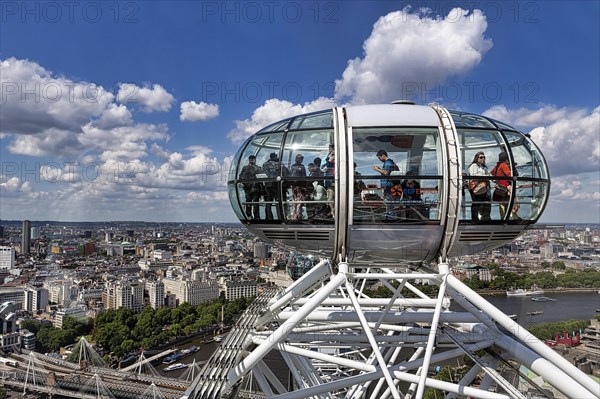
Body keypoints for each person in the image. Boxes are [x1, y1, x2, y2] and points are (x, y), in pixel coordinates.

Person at [372, 150, 396, 220]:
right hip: (387, 187)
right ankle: (389, 216)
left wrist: (377, 169)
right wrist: (380, 169)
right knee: (388, 203)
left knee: (389, 203)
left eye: (379, 158)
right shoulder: (387, 163)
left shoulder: (388, 162)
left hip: (388, 187)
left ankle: (391, 218)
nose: (379, 160)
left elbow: (386, 172)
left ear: (383, 155)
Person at [467, 151, 491, 222]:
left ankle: (485, 218)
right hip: (476, 188)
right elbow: (473, 175)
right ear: (476, 158)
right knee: (477, 203)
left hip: (484, 188)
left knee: (485, 203)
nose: (483, 159)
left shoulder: (483, 167)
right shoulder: (474, 166)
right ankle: (475, 219)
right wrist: (485, 176)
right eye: (481, 157)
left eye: (484, 157)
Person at [239, 155, 263, 219]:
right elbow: (261, 178)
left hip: (247, 189)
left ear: (249, 160)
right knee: (255, 203)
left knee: (248, 202)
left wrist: (246, 184)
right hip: (256, 189)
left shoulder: (245, 168)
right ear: (255, 160)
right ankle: (256, 216)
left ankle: (248, 215)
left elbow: (240, 177)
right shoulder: (258, 168)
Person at [490, 151, 512, 219]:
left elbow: (491, 174)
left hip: (499, 187)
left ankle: (502, 217)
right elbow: (509, 175)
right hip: (505, 187)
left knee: (502, 203)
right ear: (506, 159)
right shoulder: (503, 165)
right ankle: (507, 217)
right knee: (507, 202)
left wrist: (495, 181)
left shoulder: (497, 166)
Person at [262, 152, 283, 220]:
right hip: (276, 186)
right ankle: (281, 217)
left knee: (268, 203)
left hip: (268, 186)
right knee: (278, 202)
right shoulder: (278, 164)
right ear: (274, 157)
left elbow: (264, 173)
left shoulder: (265, 164)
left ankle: (269, 217)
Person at [289, 154, 307, 220]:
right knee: (297, 201)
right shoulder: (300, 167)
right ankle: (296, 216)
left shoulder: (295, 166)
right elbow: (304, 177)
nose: (300, 160)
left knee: (298, 201)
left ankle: (296, 216)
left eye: (301, 159)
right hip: (297, 186)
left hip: (297, 186)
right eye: (299, 159)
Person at [322, 151, 335, 218]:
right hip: (330, 184)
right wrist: (330, 160)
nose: (334, 156)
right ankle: (332, 213)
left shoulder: (339, 163)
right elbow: (323, 170)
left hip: (340, 183)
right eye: (333, 154)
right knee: (330, 198)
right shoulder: (326, 163)